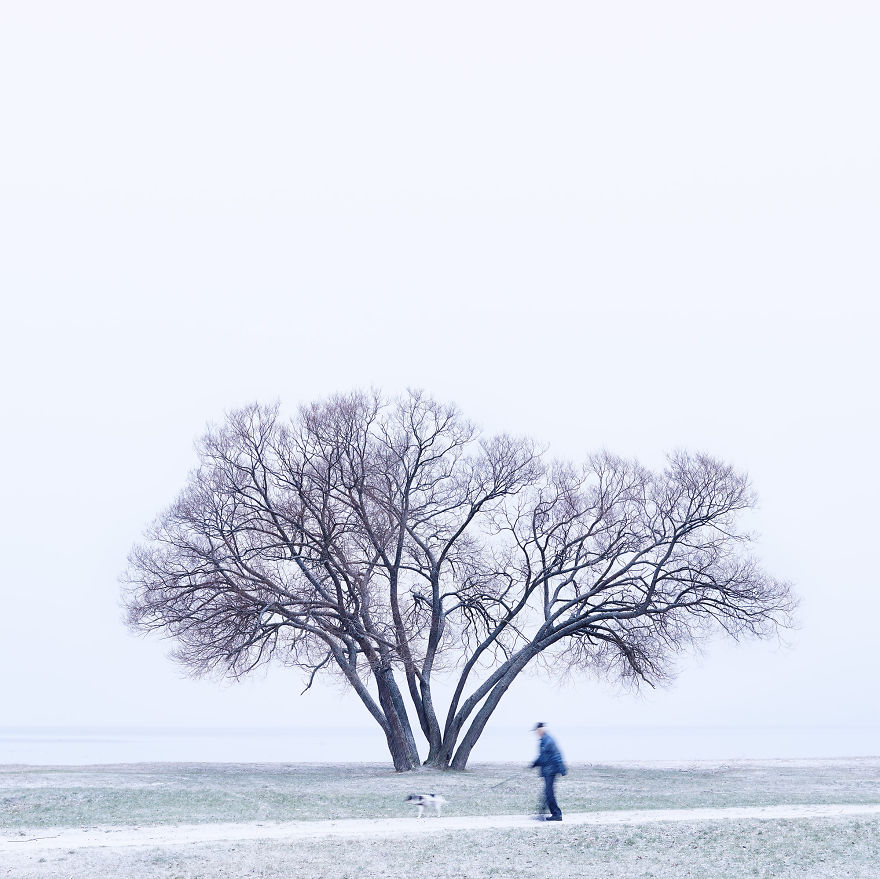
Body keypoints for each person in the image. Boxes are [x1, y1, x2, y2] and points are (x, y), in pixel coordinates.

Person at [530, 722, 566, 821]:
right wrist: (535, 763)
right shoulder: (544, 740)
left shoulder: (548, 740)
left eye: (537, 731)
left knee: (549, 793)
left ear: (541, 730)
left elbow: (556, 755)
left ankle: (557, 814)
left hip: (551, 770)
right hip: (548, 770)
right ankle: (544, 813)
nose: (536, 733)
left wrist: (562, 769)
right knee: (547, 792)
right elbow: (543, 757)